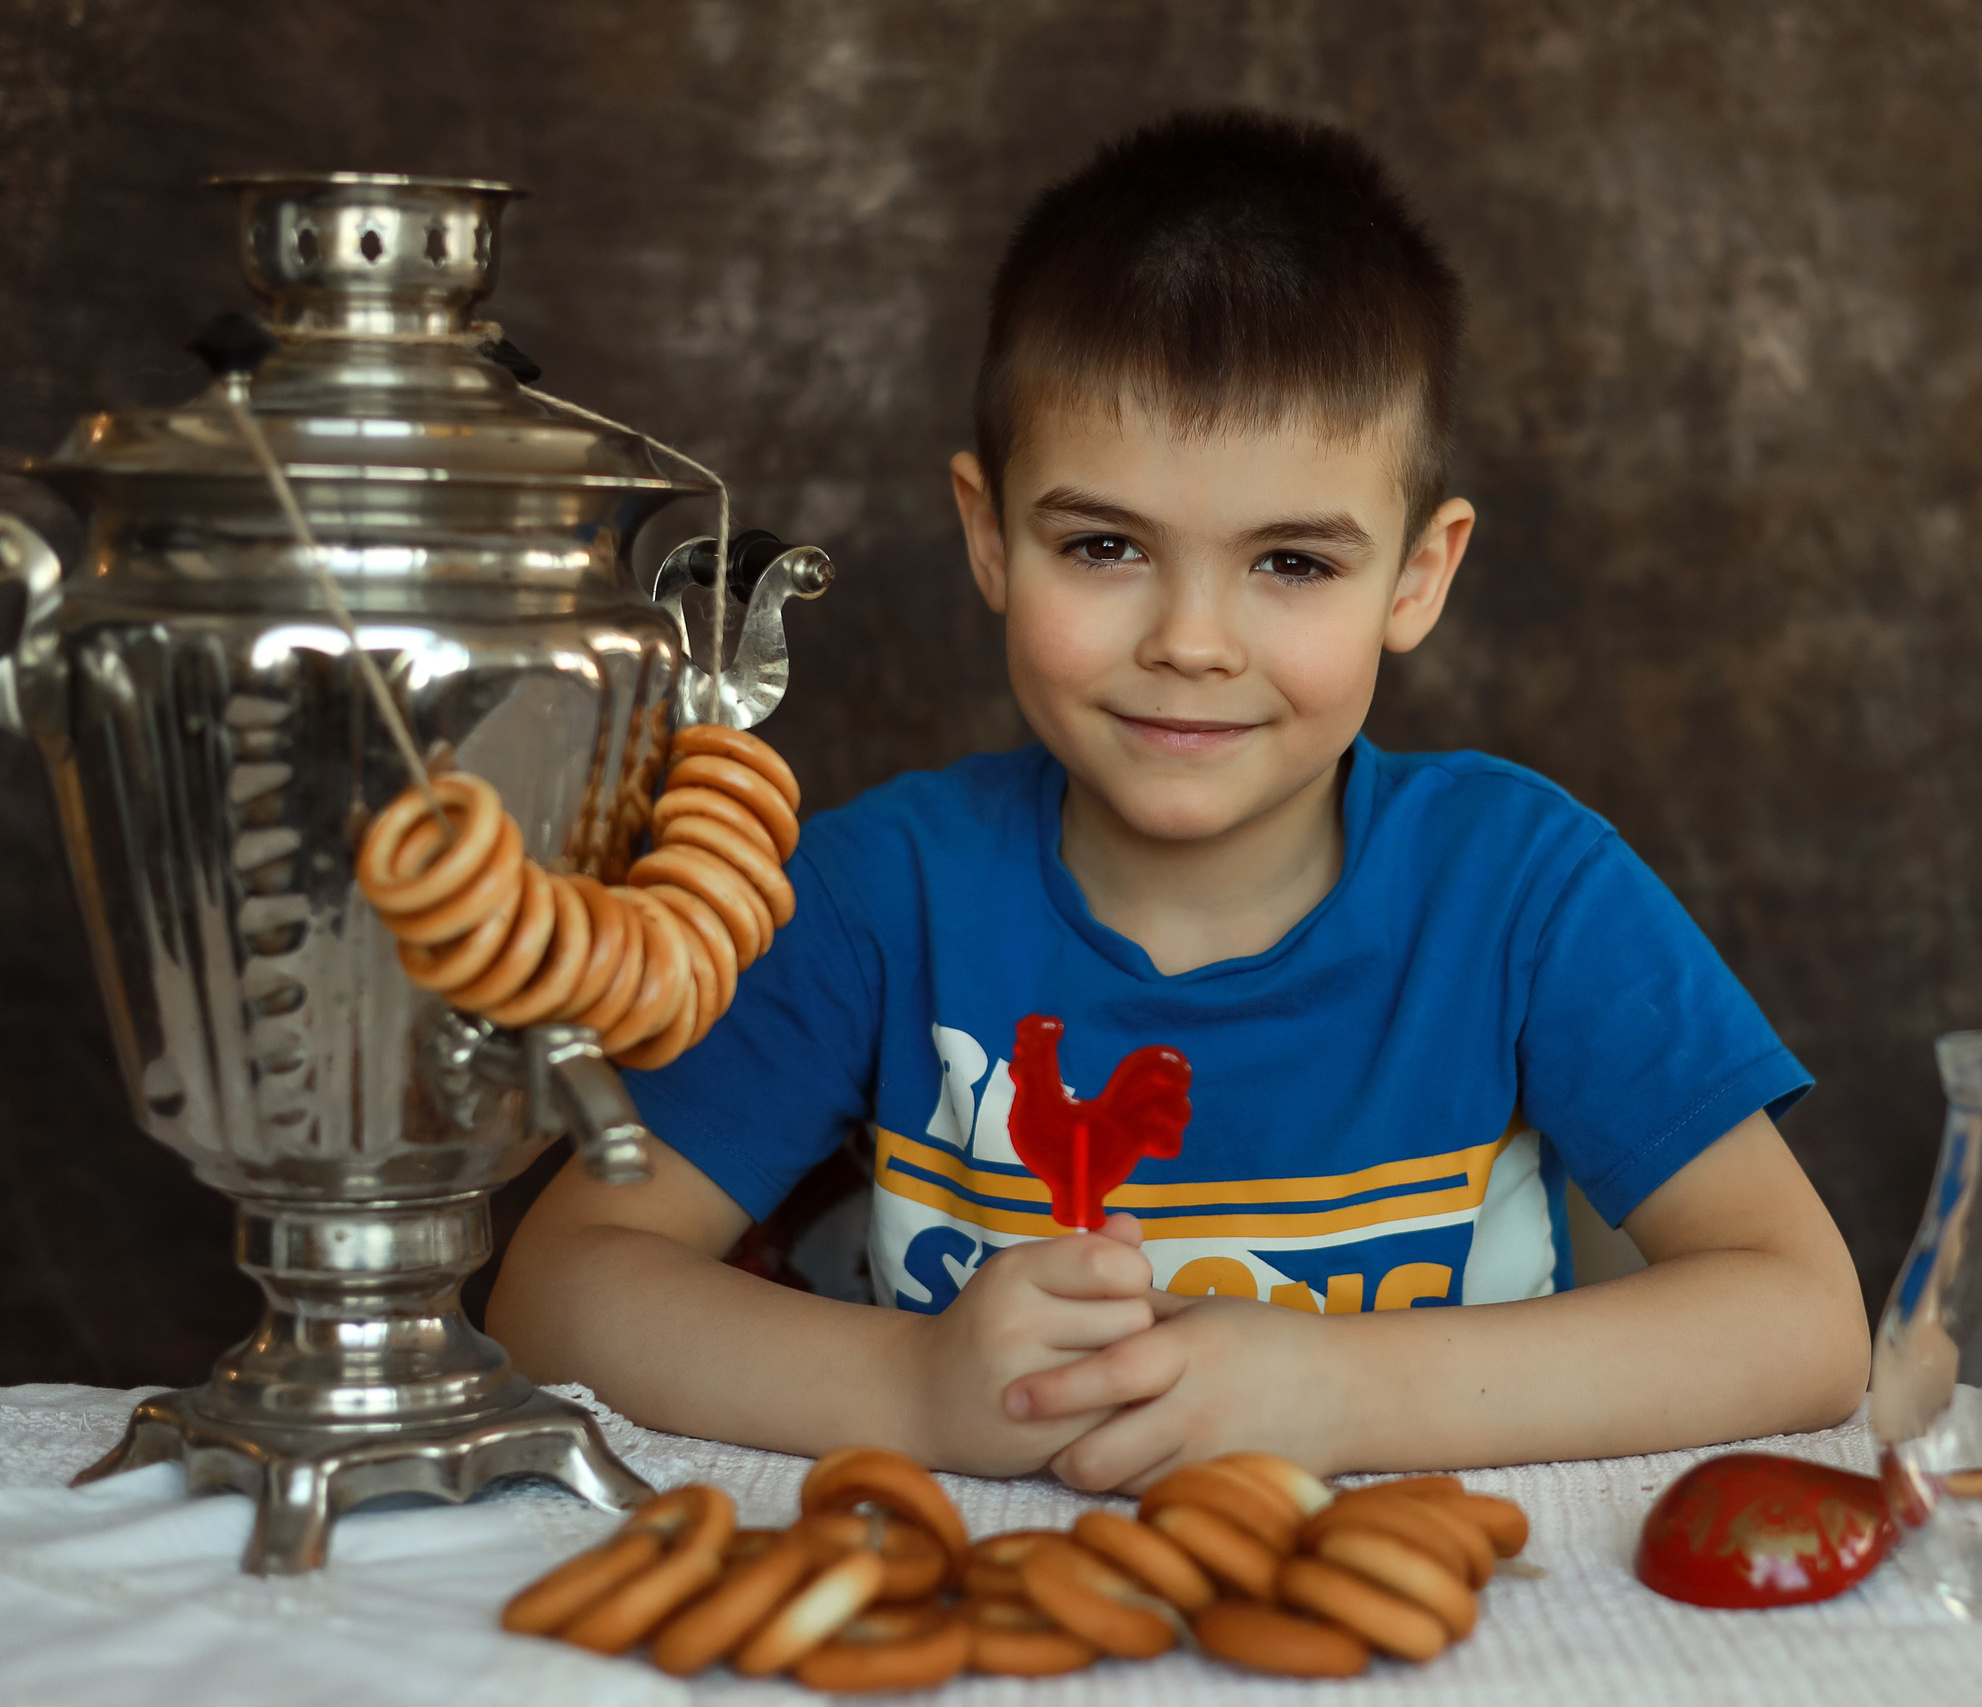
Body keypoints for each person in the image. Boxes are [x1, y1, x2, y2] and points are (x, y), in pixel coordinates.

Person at [489, 110, 1869, 1491]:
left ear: (1418, 576)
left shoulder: (1526, 893)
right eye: (1104, 546)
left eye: (1292, 564)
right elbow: (556, 1290)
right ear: (989, 537)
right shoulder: (873, 897)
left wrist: (1342, 1393)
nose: (1193, 641)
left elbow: (1807, 1321)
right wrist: (914, 1390)